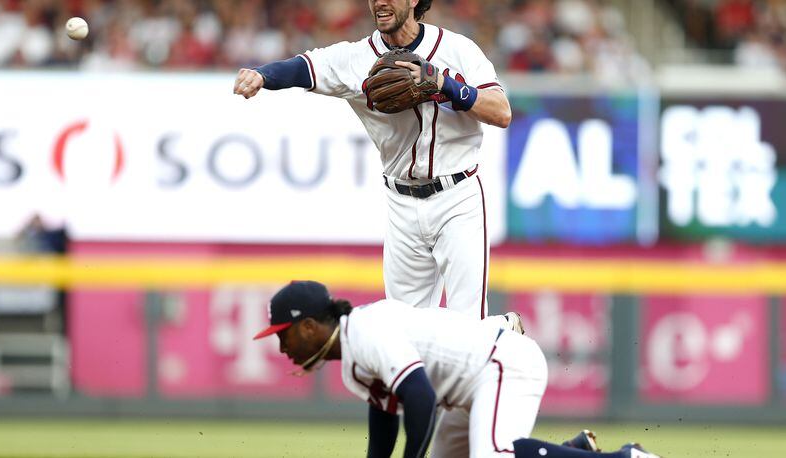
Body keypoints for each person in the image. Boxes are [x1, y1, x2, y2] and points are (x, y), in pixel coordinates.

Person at [234, 0, 511, 318]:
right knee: (405, 329)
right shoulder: (355, 58)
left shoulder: (458, 49)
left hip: (458, 198)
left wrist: (445, 84)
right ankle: (500, 329)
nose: (380, 1)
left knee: (468, 328)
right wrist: (262, 75)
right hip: (401, 204)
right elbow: (303, 68)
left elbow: (501, 112)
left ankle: (497, 334)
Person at [253, 281, 660, 458]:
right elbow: (385, 420)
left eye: (283, 335)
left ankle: (625, 457)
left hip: (501, 364)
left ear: (308, 326)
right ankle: (573, 450)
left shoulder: (366, 330)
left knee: (495, 456)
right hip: (469, 391)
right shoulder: (351, 364)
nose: (282, 346)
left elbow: (421, 398)